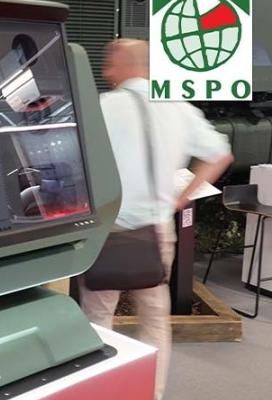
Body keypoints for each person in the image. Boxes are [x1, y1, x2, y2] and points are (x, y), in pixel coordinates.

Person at [78, 39, 234, 400]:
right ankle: (151, 393)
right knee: (154, 318)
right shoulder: (177, 106)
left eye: (109, 64)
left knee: (98, 317)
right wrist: (184, 196)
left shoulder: (102, 107)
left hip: (108, 230)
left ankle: (99, 391)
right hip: (157, 232)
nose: (106, 71)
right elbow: (220, 154)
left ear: (121, 66)